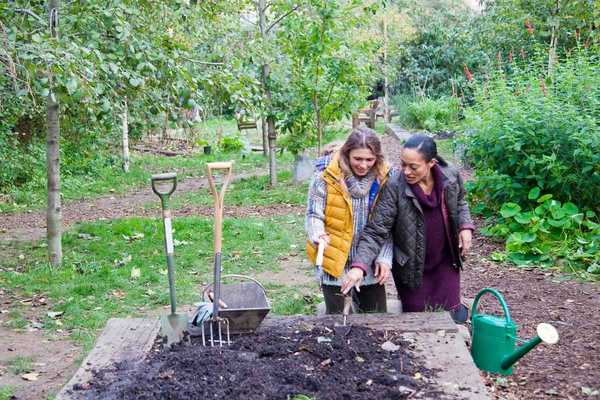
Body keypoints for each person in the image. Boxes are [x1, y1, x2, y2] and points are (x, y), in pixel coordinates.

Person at [344, 134, 474, 322]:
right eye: (403, 164)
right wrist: (359, 266)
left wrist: (465, 226)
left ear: (431, 163)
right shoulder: (395, 186)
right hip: (411, 266)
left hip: (445, 259)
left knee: (451, 314)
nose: (406, 171)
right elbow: (376, 231)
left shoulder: (450, 176)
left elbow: (460, 201)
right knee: (416, 319)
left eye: (413, 167)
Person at [305, 127, 396, 314]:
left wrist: (385, 257)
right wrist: (318, 234)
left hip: (370, 262)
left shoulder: (386, 179)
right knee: (337, 320)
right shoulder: (326, 177)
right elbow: (314, 214)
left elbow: (388, 225)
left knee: (375, 318)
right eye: (358, 159)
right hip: (334, 259)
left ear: (377, 158)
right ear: (347, 154)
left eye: (369, 160)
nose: (363, 165)